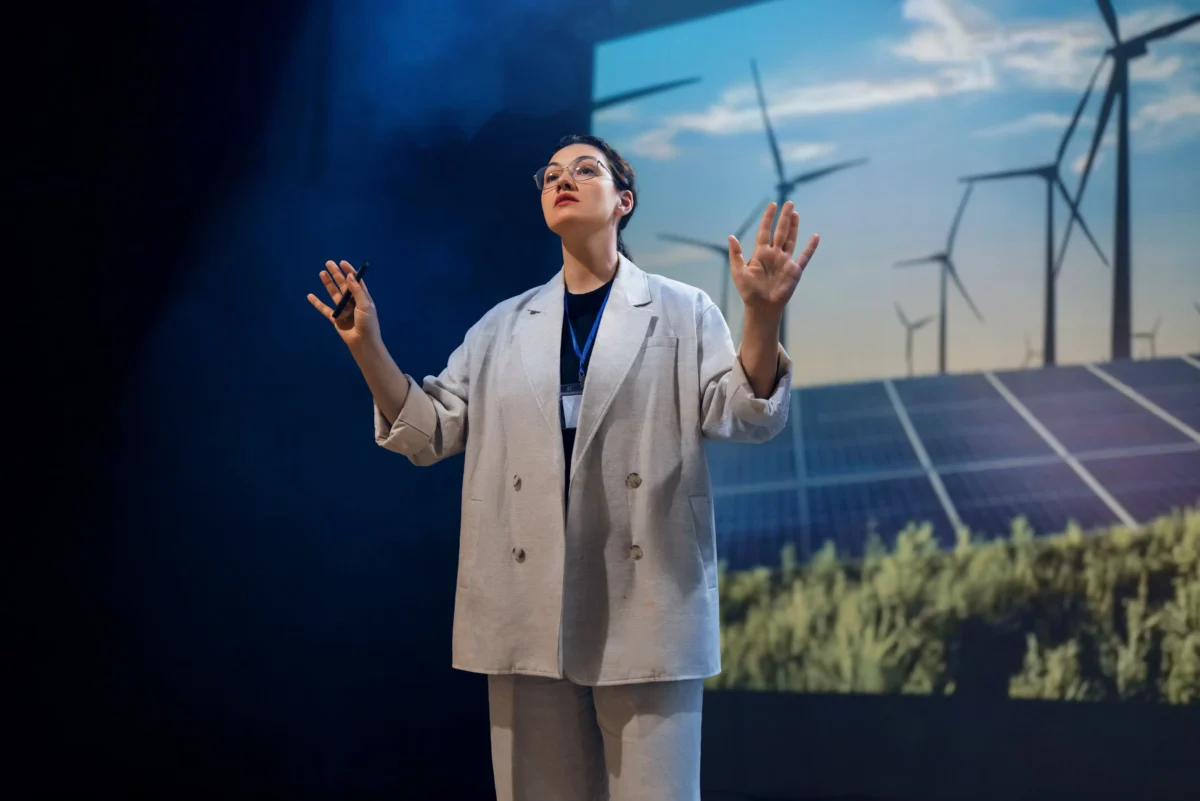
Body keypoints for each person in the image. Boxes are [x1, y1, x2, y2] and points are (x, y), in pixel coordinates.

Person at [307, 133, 819, 801]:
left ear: (623, 201)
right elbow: (428, 432)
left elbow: (743, 412)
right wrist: (368, 346)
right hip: (524, 607)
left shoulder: (681, 308)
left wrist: (763, 314)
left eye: (585, 169)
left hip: (648, 599)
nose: (562, 180)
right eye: (550, 174)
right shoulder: (501, 326)